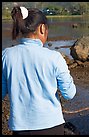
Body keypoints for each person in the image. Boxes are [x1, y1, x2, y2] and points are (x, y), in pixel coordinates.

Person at [2, 6, 76, 135]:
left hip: (20, 128)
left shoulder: (6, 55)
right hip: (52, 126)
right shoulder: (54, 57)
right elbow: (69, 94)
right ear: (42, 28)